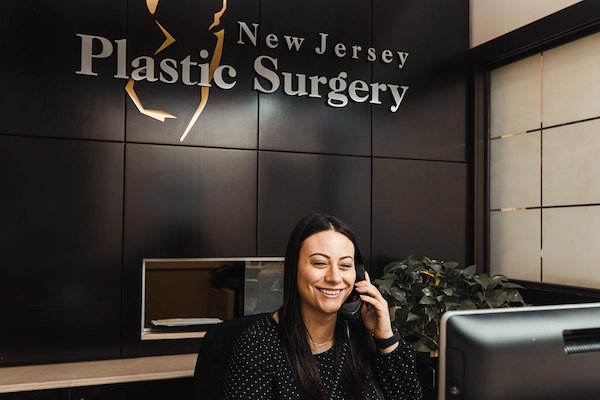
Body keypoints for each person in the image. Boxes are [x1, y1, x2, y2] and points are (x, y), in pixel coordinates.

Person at [223, 213, 423, 400]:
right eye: (319, 263)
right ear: (294, 269)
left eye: (345, 265)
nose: (335, 278)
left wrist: (386, 338)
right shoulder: (258, 345)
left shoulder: (363, 337)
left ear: (359, 275)